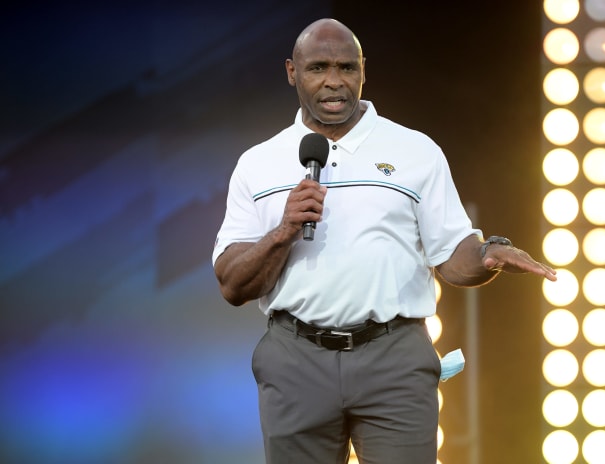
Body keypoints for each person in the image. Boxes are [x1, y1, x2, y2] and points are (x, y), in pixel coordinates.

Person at [212, 18, 557, 464]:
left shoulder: (415, 151)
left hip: (394, 357)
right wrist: (284, 230)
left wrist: (488, 254)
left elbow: (452, 257)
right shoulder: (258, 164)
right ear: (292, 72)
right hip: (295, 359)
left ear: (363, 71)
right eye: (318, 68)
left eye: (347, 68)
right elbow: (232, 284)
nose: (334, 82)